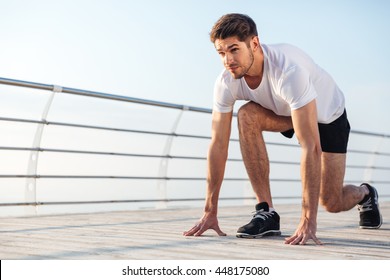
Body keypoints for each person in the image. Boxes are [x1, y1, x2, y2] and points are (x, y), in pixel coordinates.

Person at [183, 13, 382, 245]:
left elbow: (311, 145)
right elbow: (218, 144)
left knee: (331, 201)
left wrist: (308, 219)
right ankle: (266, 211)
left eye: (234, 49)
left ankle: (365, 193)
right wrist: (210, 210)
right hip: (284, 112)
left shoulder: (288, 71)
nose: (228, 60)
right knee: (247, 115)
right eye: (221, 53)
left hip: (328, 116)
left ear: (254, 44)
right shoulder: (227, 82)